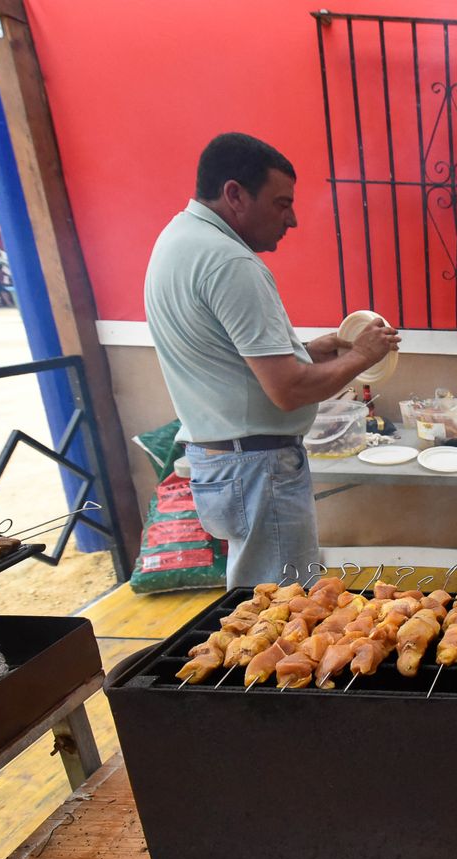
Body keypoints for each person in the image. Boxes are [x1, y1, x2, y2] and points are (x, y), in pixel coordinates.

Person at [145, 132, 400, 588]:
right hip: (255, 469)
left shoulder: (178, 240)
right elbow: (288, 390)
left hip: (223, 463)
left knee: (256, 597)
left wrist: (313, 351)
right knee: (281, 606)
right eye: (282, 204)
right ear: (235, 194)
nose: (293, 219)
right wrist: (363, 355)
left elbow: (231, 359)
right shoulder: (230, 262)